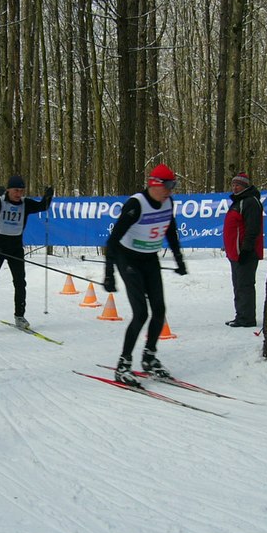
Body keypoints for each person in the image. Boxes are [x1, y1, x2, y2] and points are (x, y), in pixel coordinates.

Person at [103, 164, 187, 386]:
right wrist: (109, 273)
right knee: (141, 313)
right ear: (154, 184)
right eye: (168, 185)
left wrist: (179, 258)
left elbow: (170, 229)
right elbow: (112, 241)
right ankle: (123, 365)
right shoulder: (136, 204)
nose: (171, 190)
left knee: (159, 310)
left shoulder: (168, 202)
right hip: (127, 259)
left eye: (174, 185)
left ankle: (149, 357)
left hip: (149, 259)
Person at [0, 176, 54, 332]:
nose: (18, 194)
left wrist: (48, 196)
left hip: (15, 246)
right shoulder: (0, 201)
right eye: (16, 190)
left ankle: (19, 316)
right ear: (8, 190)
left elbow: (43, 206)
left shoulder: (25, 203)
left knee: (20, 283)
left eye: (21, 191)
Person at [222, 172, 264, 328]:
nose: (234, 187)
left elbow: (252, 229)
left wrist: (246, 249)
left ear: (245, 186)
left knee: (245, 285)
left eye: (238, 185)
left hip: (245, 253)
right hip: (235, 253)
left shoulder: (250, 202)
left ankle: (246, 318)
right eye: (233, 184)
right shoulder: (239, 201)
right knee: (238, 285)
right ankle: (241, 315)